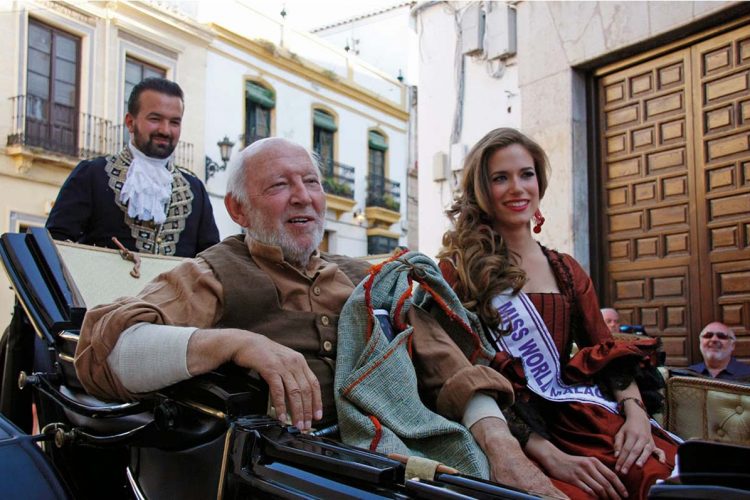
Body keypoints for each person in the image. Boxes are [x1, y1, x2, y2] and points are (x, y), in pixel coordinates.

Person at [74, 138, 559, 496]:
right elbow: (108, 349)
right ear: (239, 210)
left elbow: (446, 365)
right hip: (291, 477)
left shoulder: (367, 278)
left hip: (403, 462)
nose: (303, 196)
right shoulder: (211, 274)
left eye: (311, 182)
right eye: (280, 186)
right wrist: (235, 343)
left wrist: (506, 453)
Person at [434, 128, 678, 499]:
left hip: (579, 421)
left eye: (526, 174)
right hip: (512, 432)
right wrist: (547, 454)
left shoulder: (566, 270)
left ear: (539, 181)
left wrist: (637, 415)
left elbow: (608, 351)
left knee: (655, 475)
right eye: (500, 178)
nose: (517, 188)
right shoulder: (458, 272)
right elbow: (455, 374)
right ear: (482, 190)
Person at [46, 77, 218, 257]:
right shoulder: (92, 174)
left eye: (174, 122)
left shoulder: (194, 189)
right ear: (130, 122)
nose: (165, 130)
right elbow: (55, 245)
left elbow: (209, 260)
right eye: (155, 119)